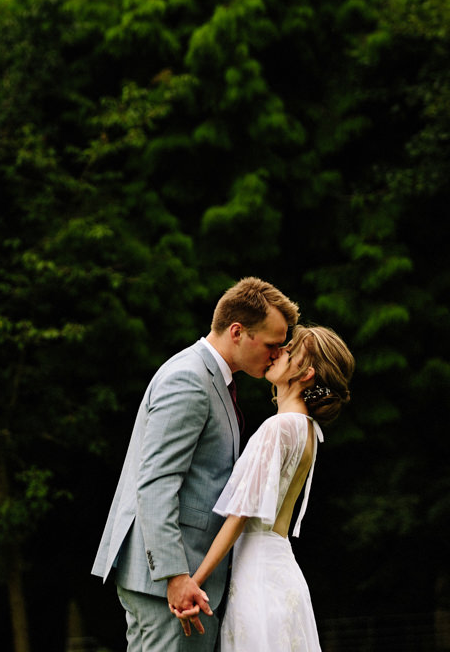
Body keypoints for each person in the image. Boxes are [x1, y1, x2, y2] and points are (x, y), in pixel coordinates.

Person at [91, 277, 300, 650]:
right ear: (237, 331)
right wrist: (176, 576)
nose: (276, 353)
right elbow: (156, 484)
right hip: (170, 584)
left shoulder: (215, 380)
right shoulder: (188, 379)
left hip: (185, 582)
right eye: (271, 344)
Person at [170, 323, 355, 651]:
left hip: (258, 578)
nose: (280, 351)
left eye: (291, 350)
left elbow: (240, 514)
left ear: (306, 372)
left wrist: (194, 582)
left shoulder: (280, 427)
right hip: (282, 572)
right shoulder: (308, 431)